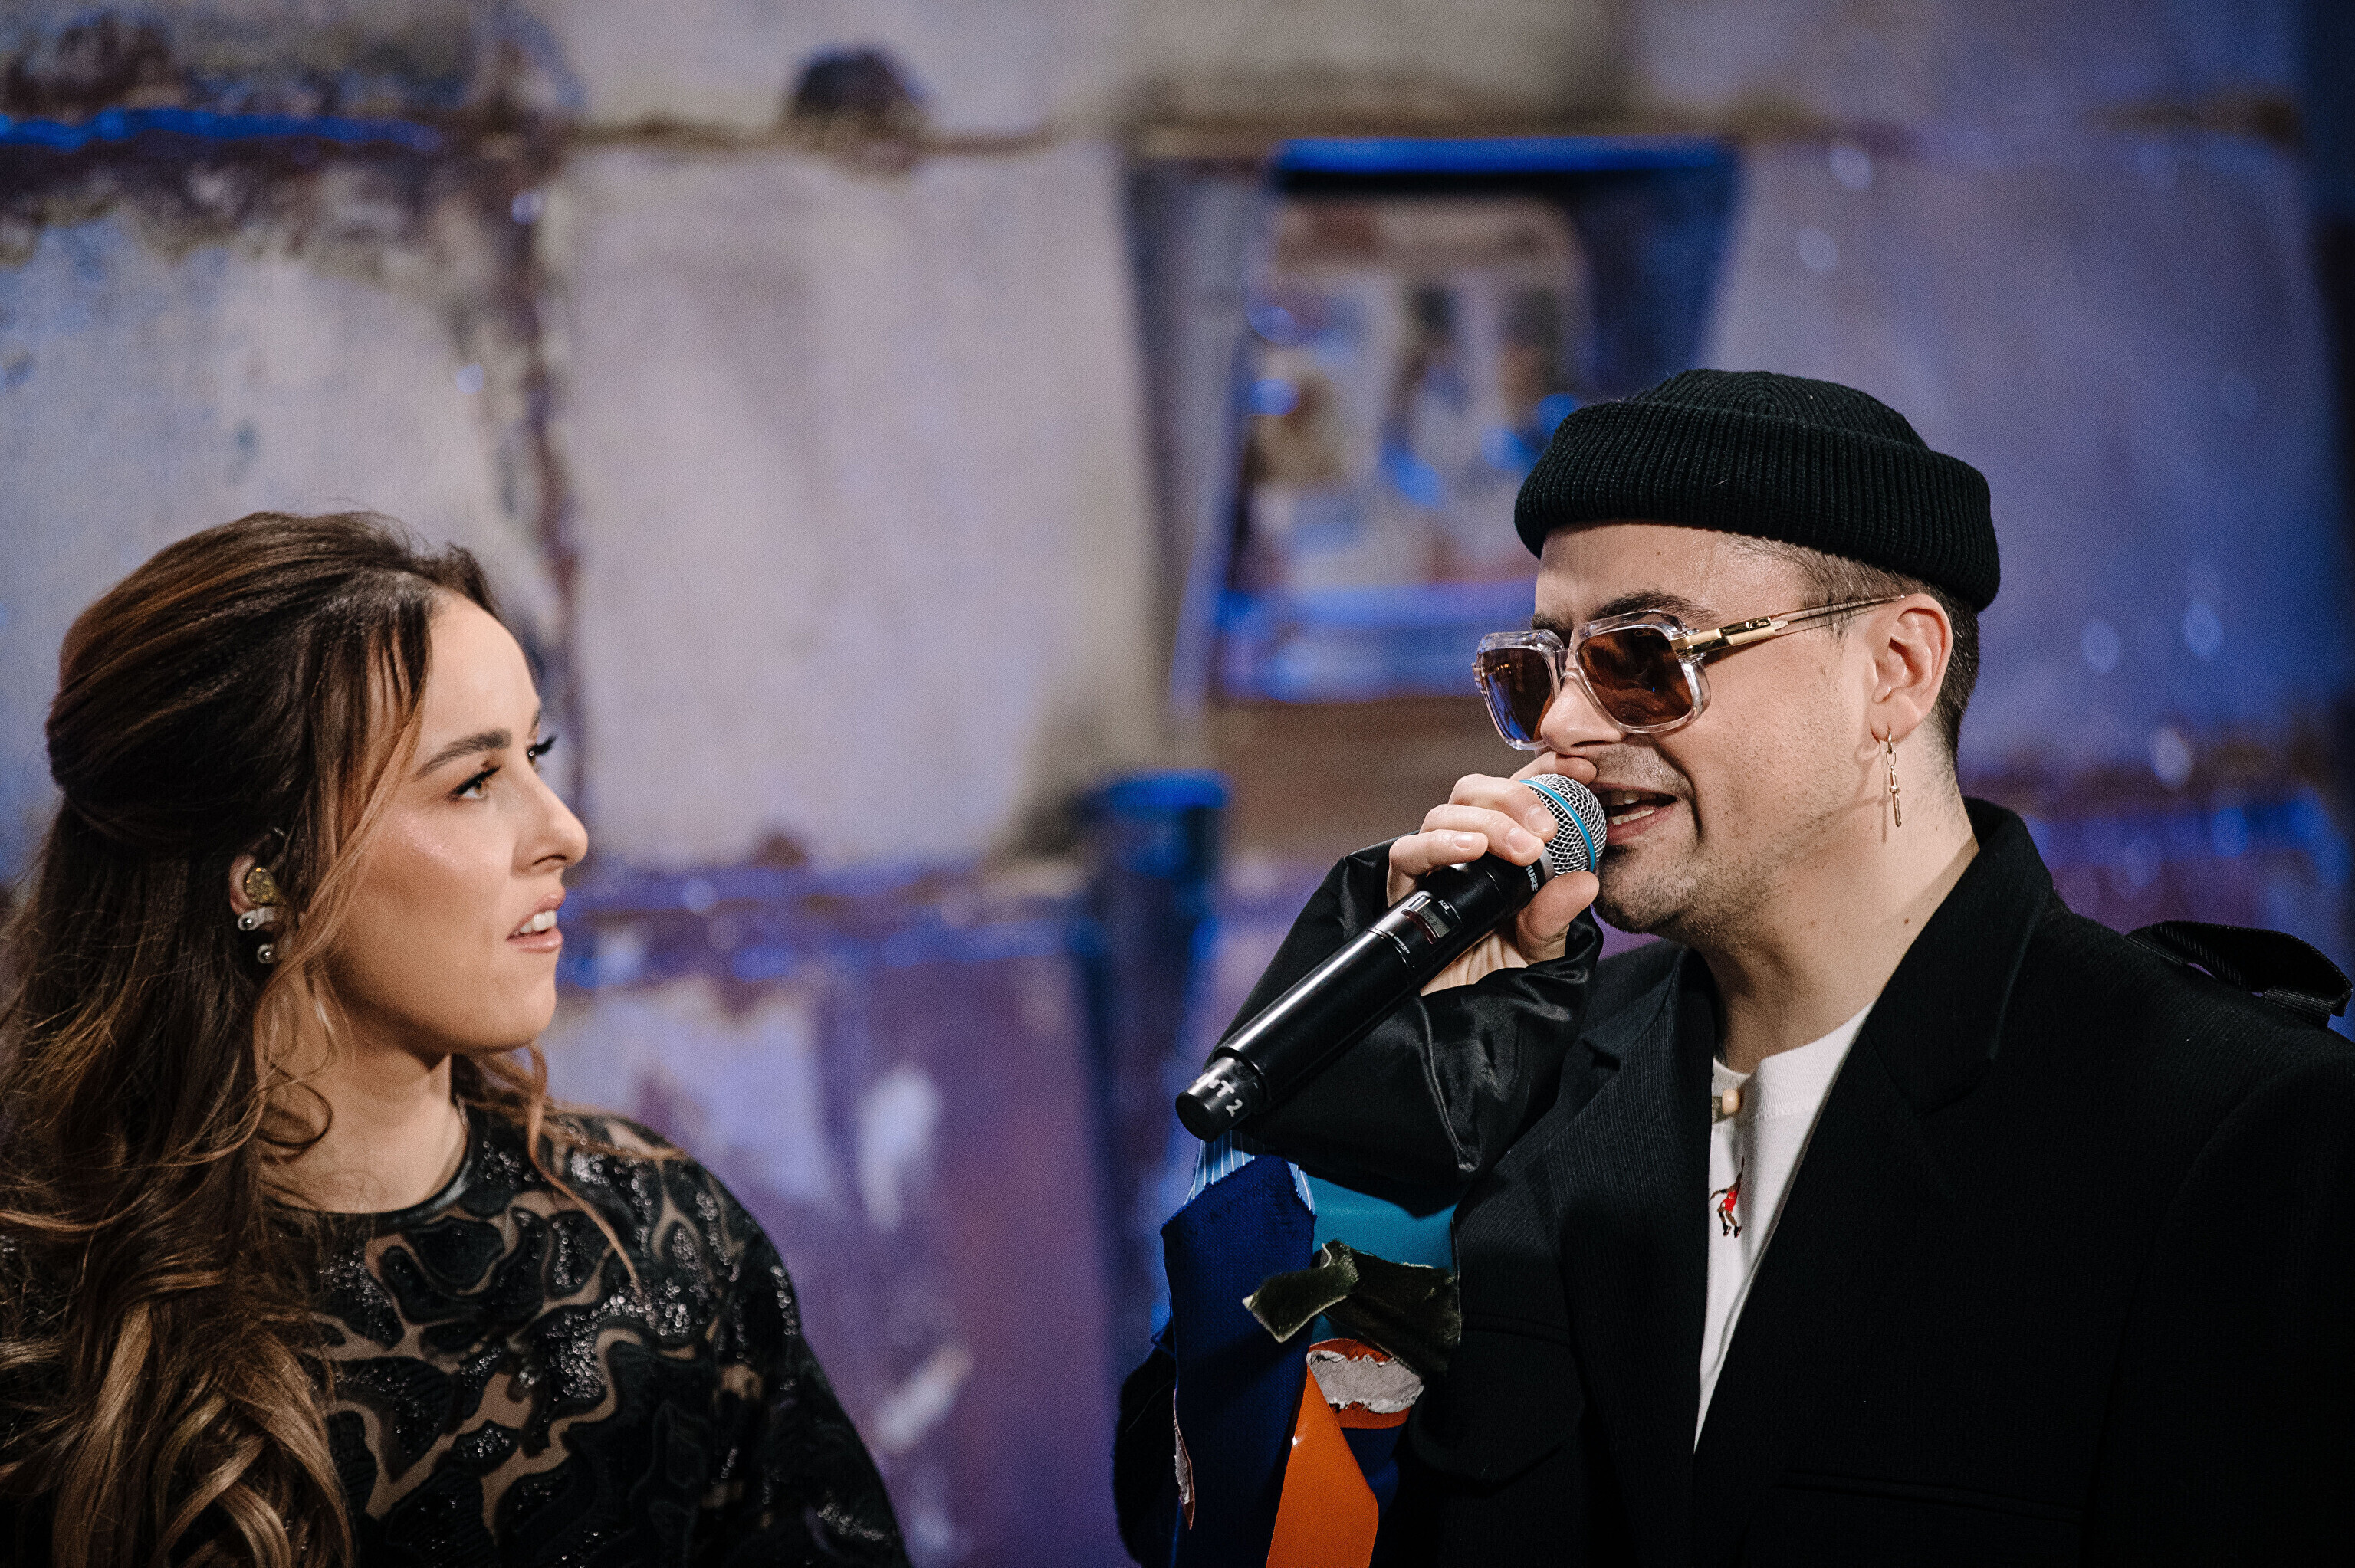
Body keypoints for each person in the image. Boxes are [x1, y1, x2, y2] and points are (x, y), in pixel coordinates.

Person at [1162, 371, 2355, 1565]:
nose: (1565, 726)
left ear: (1897, 668)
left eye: (1642, 657)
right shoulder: (1527, 1083)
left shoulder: (2217, 1122)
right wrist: (1377, 1148)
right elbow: (1215, 1519)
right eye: (1535, 672)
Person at [0, 513, 908, 1567]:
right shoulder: (37, 1305)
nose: (565, 832)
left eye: (535, 754)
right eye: (473, 782)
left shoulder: (663, 1249)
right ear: (266, 884)